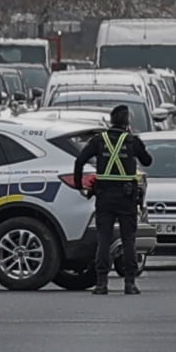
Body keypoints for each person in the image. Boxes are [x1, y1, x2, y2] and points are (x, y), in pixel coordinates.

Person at [63, 104, 155, 295]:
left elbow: (80, 161)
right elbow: (147, 161)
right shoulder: (131, 141)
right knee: (128, 240)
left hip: (104, 196)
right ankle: (130, 283)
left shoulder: (99, 140)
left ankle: (101, 283)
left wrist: (80, 185)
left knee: (103, 239)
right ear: (127, 121)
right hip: (127, 197)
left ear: (111, 121)